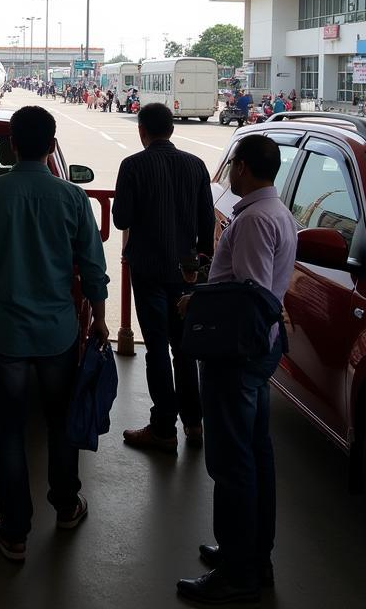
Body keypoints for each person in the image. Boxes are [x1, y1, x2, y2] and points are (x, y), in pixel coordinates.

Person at [0, 105, 109, 561]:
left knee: (9, 428)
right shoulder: (73, 198)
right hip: (58, 332)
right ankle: (66, 506)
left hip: (4, 332)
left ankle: (15, 532)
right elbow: (94, 269)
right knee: (61, 421)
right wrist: (99, 319)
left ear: (12, 143)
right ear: (53, 143)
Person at [176, 134, 297, 604]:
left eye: (233, 167)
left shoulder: (253, 221)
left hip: (236, 354)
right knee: (256, 455)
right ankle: (251, 554)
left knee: (231, 464)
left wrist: (197, 298)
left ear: (244, 168)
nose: (229, 174)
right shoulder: (277, 213)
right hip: (259, 351)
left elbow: (250, 294)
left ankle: (236, 571)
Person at [113, 102, 214, 453]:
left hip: (149, 270)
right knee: (185, 349)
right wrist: (199, 266)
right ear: (171, 129)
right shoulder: (197, 165)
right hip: (186, 271)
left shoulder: (133, 166)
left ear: (142, 131)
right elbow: (206, 225)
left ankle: (162, 428)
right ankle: (194, 423)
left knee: (156, 347)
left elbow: (120, 218)